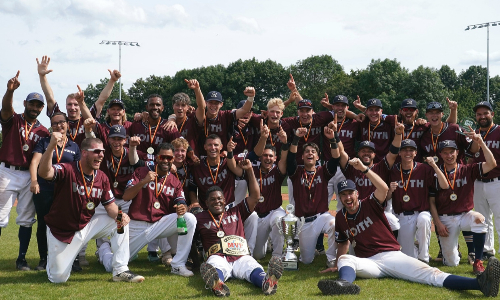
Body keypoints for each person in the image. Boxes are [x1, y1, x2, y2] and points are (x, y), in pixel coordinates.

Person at [317, 167, 500, 297]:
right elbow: (343, 242)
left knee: (430, 275)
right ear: (339, 198)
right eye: (344, 195)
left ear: (356, 194)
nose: (348, 197)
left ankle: (479, 284)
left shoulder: (369, 203)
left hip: (390, 255)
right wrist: (338, 265)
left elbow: (383, 189)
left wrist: (365, 169)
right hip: (369, 262)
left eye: (351, 193)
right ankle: (344, 284)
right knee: (345, 259)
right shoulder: (340, 217)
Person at [38, 136, 144, 283]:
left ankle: (120, 270)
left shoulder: (101, 177)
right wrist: (51, 146)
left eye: (102, 152)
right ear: (84, 153)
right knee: (58, 278)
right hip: (61, 230)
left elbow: (110, 206)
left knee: (120, 220)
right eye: (96, 151)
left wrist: (120, 215)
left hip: (86, 226)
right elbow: (44, 173)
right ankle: (53, 262)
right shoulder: (68, 169)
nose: (101, 155)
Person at [99, 143, 196, 277]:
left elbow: (180, 200)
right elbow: (126, 196)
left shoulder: (174, 181)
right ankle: (104, 249)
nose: (166, 160)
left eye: (169, 158)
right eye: (163, 157)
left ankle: (178, 264)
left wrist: (182, 207)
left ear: (173, 159)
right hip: (137, 224)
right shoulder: (141, 172)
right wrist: (143, 182)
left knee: (189, 218)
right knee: (112, 266)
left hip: (159, 223)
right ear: (157, 158)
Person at [195, 159, 283, 297]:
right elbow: (192, 241)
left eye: (219, 199)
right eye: (212, 199)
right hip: (217, 255)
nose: (216, 201)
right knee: (215, 266)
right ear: (206, 203)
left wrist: (249, 171)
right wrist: (194, 261)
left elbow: (255, 196)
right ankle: (218, 284)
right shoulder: (199, 218)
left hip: (240, 255)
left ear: (224, 200)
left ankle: (267, 282)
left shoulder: (236, 211)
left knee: (252, 266)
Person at [0, 71, 50, 271]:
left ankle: (21, 259)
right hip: (7, 171)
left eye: (38, 105)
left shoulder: (43, 131)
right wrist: (9, 91)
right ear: (25, 104)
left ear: (41, 108)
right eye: (32, 104)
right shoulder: (14, 119)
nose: (35, 108)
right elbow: (5, 108)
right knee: (0, 217)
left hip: (30, 176)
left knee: (27, 218)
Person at [430, 138, 496, 275]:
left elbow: (491, 164)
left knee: (480, 219)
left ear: (457, 152)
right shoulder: (434, 173)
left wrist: (481, 143)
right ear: (441, 155)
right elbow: (431, 202)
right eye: (445, 153)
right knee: (452, 262)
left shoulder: (467, 169)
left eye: (452, 152)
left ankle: (478, 260)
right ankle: (451, 253)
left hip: (465, 214)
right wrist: (437, 223)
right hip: (445, 218)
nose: (449, 156)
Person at [227, 120, 289, 259]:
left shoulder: (277, 170)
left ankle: (277, 256)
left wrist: (285, 143)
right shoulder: (252, 169)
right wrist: (230, 152)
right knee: (258, 255)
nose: (268, 158)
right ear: (260, 157)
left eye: (271, 156)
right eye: (265, 155)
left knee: (280, 220)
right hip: (258, 214)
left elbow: (284, 159)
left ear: (275, 158)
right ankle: (267, 243)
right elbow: (233, 168)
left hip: (273, 211)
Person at [335, 116, 405, 236]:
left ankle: (393, 247)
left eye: (369, 151)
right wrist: (335, 135)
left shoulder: (380, 167)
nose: (366, 153)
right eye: (363, 151)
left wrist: (398, 134)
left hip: (377, 211)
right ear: (358, 153)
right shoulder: (352, 167)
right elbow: (341, 152)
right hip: (356, 211)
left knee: (392, 220)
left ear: (374, 154)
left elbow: (393, 152)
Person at [30, 112, 80, 271]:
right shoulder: (44, 142)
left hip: (66, 193)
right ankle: (44, 259)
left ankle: (73, 259)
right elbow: (34, 162)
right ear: (51, 126)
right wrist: (34, 181)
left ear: (67, 124)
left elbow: (78, 170)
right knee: (43, 224)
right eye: (55, 123)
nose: (59, 126)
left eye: (62, 122)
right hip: (45, 189)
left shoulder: (74, 146)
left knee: (69, 224)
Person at [386, 139, 449, 263]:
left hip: (421, 212)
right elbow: (386, 198)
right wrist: (390, 191)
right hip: (402, 215)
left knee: (424, 219)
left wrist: (434, 166)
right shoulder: (393, 171)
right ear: (399, 153)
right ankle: (415, 249)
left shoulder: (424, 169)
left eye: (411, 150)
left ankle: (424, 257)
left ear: (415, 153)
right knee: (408, 259)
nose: (407, 153)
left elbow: (444, 185)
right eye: (404, 150)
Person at [286, 125, 338, 266]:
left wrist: (333, 139)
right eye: (307, 152)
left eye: (313, 152)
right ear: (302, 156)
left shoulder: (323, 171)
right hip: (305, 222)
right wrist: (296, 138)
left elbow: (335, 159)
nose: (310, 153)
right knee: (307, 261)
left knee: (334, 224)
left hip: (321, 216)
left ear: (317, 156)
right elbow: (290, 159)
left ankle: (332, 260)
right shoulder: (296, 172)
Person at [470, 101, 500, 259]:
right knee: (482, 218)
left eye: (485, 113)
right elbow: (469, 158)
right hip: (478, 182)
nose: (482, 116)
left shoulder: (499, 131)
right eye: (479, 114)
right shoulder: (474, 134)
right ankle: (487, 251)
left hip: (497, 181)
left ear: (492, 114)